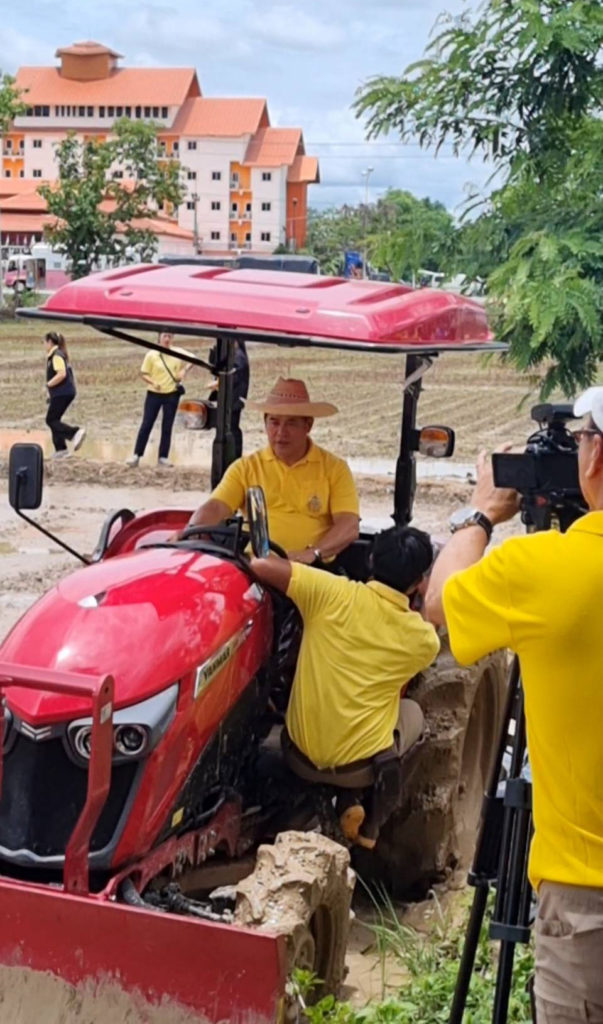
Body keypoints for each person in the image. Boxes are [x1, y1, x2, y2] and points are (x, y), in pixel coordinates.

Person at [424, 387, 603, 1023]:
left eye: (580, 439)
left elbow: (441, 603)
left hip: (587, 906)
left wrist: (479, 514)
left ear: (595, 460)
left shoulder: (545, 568)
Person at [250, 525, 440, 846]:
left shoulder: (327, 591)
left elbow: (259, 565)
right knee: (411, 712)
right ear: (419, 581)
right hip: (359, 768)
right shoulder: (423, 640)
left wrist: (311, 554)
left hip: (298, 755)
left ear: (370, 559)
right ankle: (369, 825)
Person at [184, 377, 360, 562]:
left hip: (313, 573)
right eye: (274, 422)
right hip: (256, 568)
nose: (281, 432)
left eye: (291, 423)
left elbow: (348, 526)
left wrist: (312, 553)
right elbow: (216, 506)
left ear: (308, 425)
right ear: (265, 423)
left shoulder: (335, 469)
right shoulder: (246, 468)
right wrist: (191, 530)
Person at [126, 332, 193, 468]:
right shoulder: (152, 354)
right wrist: (153, 382)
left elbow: (193, 358)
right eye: (165, 336)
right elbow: (144, 373)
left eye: (170, 336)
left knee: (167, 426)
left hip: (172, 394)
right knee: (147, 424)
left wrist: (184, 370)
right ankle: (136, 455)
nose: (167, 339)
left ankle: (163, 457)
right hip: (154, 394)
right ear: (159, 338)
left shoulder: (177, 352)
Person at [44, 331, 86, 458]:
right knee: (54, 420)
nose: (44, 345)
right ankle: (60, 449)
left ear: (50, 342)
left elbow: (61, 374)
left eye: (44, 342)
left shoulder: (56, 356)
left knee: (50, 419)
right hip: (62, 393)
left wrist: (48, 385)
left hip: (63, 393)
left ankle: (75, 433)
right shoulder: (56, 355)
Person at [207, 339, 249, 459]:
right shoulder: (233, 354)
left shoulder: (238, 356)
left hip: (233, 399)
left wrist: (218, 383)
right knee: (229, 428)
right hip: (230, 399)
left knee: (232, 429)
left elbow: (233, 374)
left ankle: (235, 456)